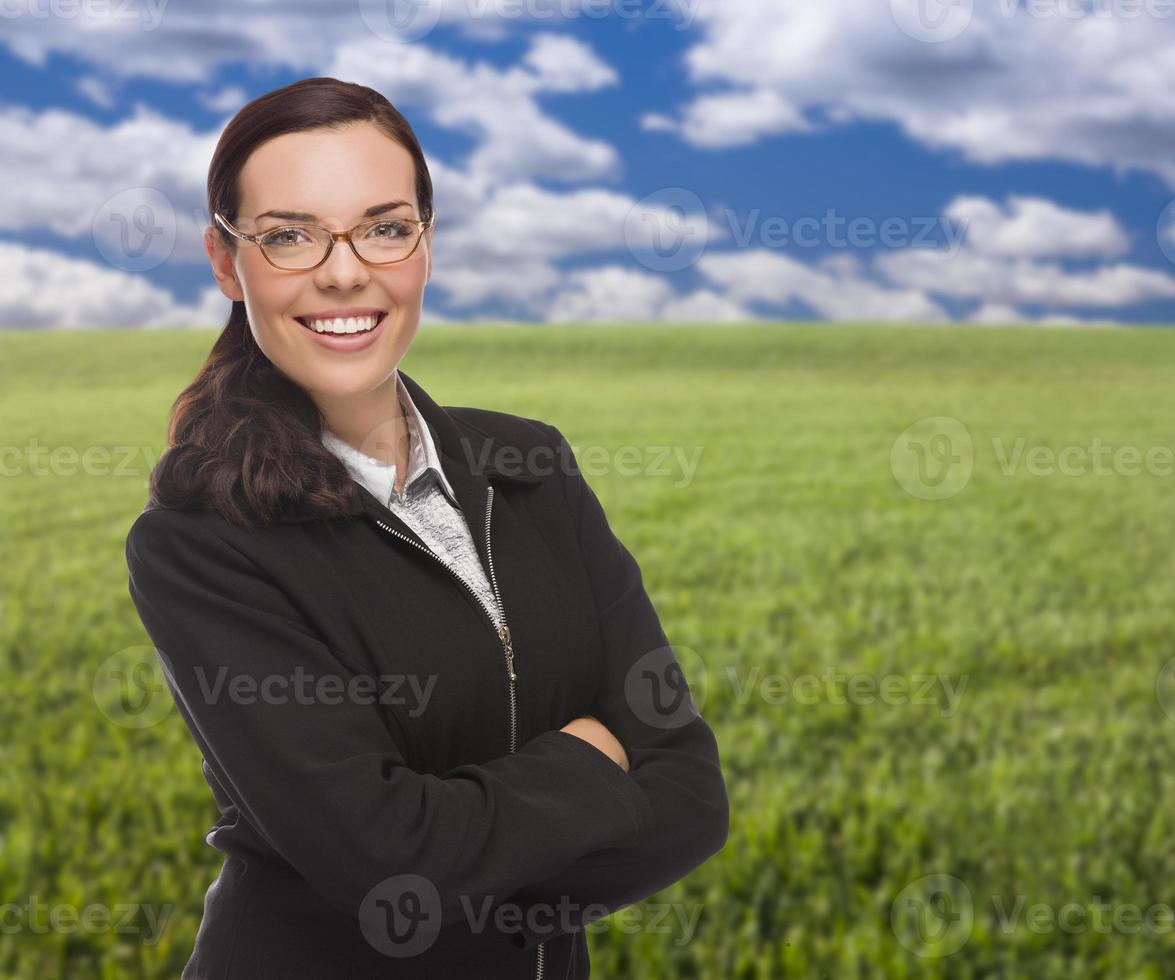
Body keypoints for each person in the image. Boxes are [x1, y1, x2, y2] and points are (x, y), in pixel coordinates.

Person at [123, 76, 729, 980]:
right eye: (289, 235)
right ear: (225, 261)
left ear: (425, 244)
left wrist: (460, 878)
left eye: (384, 226)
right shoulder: (201, 543)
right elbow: (389, 866)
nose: (343, 270)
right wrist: (592, 760)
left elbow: (687, 791)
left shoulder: (530, 467)